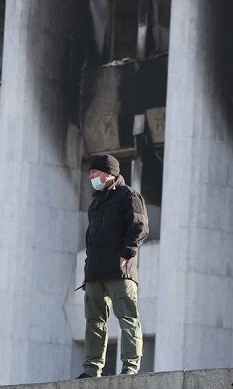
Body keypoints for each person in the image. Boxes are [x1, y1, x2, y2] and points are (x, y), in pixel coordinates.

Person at [76, 154, 149, 379]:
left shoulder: (129, 195)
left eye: (94, 172)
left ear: (109, 173)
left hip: (120, 272)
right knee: (94, 322)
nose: (90, 176)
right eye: (90, 173)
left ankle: (130, 366)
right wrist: (88, 272)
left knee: (127, 318)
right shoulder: (96, 201)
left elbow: (140, 227)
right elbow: (91, 240)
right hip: (96, 273)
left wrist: (125, 256)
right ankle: (91, 369)